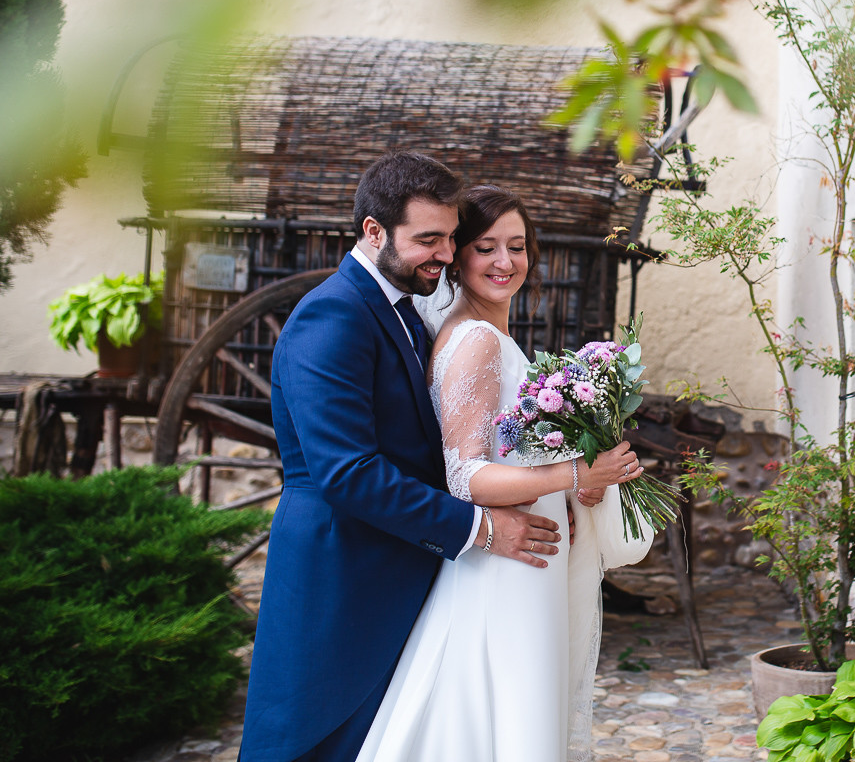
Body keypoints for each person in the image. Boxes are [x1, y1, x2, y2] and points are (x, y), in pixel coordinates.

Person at [240, 154, 565, 762]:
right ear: (373, 231)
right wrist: (481, 528)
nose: (444, 255)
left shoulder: (408, 313)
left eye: (448, 238)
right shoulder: (331, 316)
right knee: (308, 740)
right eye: (428, 240)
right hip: (340, 571)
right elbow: (347, 472)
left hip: (404, 565)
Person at [355, 184, 649, 762]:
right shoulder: (476, 342)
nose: (505, 262)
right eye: (486, 247)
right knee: (503, 712)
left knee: (518, 711)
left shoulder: (493, 336)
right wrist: (576, 471)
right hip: (507, 559)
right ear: (459, 258)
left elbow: (513, 456)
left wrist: (585, 477)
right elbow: (465, 478)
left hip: (531, 549)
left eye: (518, 246)